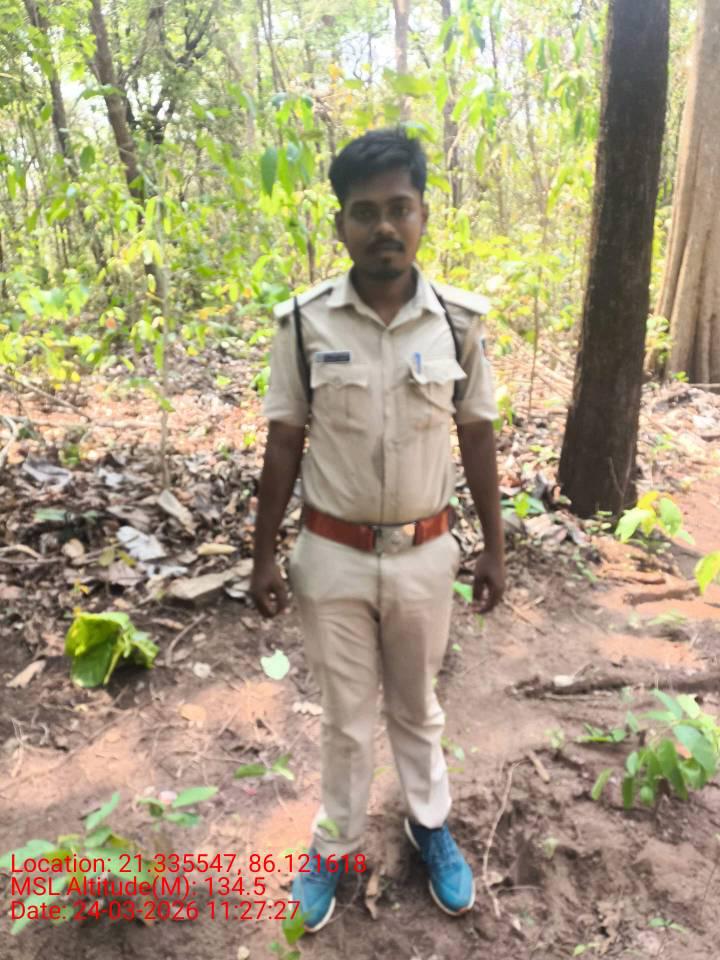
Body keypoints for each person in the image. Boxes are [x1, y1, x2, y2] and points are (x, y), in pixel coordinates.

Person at [250, 127, 505, 932]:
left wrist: (495, 549)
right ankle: (335, 845)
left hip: (426, 555)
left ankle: (430, 825)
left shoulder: (457, 324)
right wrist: (263, 557)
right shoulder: (304, 324)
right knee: (346, 717)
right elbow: (284, 442)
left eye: (400, 207)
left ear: (424, 214)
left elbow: (477, 437)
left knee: (418, 707)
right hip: (332, 556)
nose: (384, 226)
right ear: (341, 225)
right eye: (365, 212)